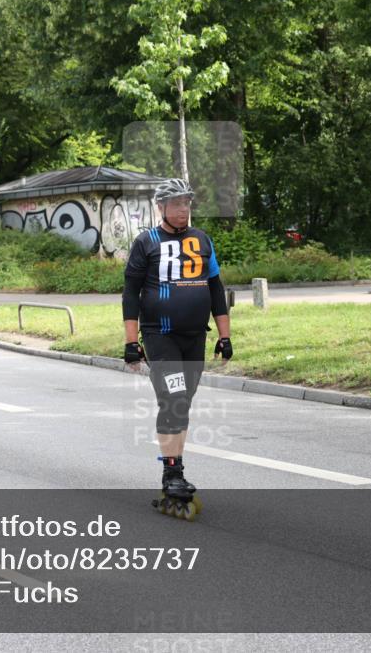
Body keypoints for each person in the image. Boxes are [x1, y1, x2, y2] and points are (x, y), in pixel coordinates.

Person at [122, 178, 233, 520]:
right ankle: (172, 473)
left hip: (195, 335)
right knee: (173, 398)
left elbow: (216, 289)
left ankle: (175, 471)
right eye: (176, 204)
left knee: (182, 404)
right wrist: (131, 341)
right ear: (161, 208)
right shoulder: (146, 242)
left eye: (187, 203)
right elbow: (130, 294)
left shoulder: (202, 240)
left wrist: (224, 335)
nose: (183, 209)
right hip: (160, 335)